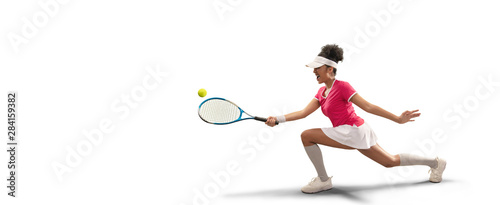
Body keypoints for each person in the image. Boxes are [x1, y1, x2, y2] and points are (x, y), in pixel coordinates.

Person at [265, 44, 446, 194]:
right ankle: (436, 163)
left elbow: (368, 106)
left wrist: (398, 119)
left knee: (306, 136)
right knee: (389, 162)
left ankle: (323, 180)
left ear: (329, 69)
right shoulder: (321, 93)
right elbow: (303, 113)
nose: (314, 71)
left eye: (317, 68)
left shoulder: (343, 86)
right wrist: (278, 119)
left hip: (353, 130)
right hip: (350, 132)